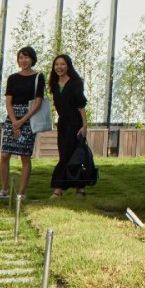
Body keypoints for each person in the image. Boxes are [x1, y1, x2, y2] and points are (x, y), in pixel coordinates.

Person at [0, 46, 45, 201]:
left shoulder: (39, 77)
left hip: (29, 118)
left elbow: (38, 102)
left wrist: (22, 121)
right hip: (12, 118)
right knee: (5, 155)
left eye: (27, 57)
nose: (23, 60)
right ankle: (3, 190)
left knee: (25, 156)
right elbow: (8, 102)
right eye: (21, 57)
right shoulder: (12, 78)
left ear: (32, 59)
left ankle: (21, 193)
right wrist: (14, 122)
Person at [47, 54, 93, 196]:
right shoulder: (54, 84)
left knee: (73, 154)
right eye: (57, 64)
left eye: (62, 64)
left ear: (68, 66)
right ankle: (80, 188)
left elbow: (81, 106)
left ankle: (59, 189)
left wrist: (84, 126)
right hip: (63, 123)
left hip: (75, 123)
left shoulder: (75, 82)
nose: (59, 67)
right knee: (66, 154)